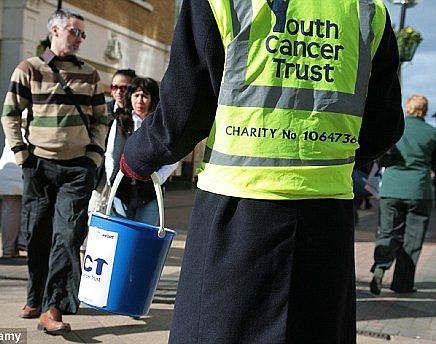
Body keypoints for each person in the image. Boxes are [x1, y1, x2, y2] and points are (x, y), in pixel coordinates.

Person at [119, 1, 404, 343]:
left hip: (236, 211)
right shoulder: (367, 10)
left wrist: (136, 156)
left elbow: (185, 110)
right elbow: (383, 127)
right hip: (326, 218)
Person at [1, 8, 107, 334]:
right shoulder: (28, 69)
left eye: (83, 35)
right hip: (39, 167)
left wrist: (93, 158)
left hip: (77, 168)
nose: (79, 39)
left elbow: (101, 119)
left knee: (68, 234)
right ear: (55, 31)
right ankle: (35, 296)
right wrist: (23, 156)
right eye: (75, 32)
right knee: (38, 235)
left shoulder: (90, 74)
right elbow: (10, 114)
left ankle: (53, 307)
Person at [370, 94, 436, 295]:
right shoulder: (432, 133)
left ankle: (380, 268)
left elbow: (380, 158)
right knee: (413, 240)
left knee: (388, 232)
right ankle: (402, 284)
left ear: (407, 108)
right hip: (419, 190)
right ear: (424, 110)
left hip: (392, 189)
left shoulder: (395, 129)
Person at [106, 77, 177, 224]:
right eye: (136, 95)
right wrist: (111, 179)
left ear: (152, 99)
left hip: (149, 195)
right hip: (122, 192)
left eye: (145, 96)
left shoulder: (160, 125)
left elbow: (173, 158)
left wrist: (157, 179)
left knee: (143, 237)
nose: (140, 100)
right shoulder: (121, 121)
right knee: (123, 235)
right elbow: (111, 153)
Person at [0, 134, 28, 258]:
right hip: (26, 166)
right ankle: (23, 241)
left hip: (8, 168)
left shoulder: (10, 122)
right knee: (31, 208)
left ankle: (8, 250)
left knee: (10, 211)